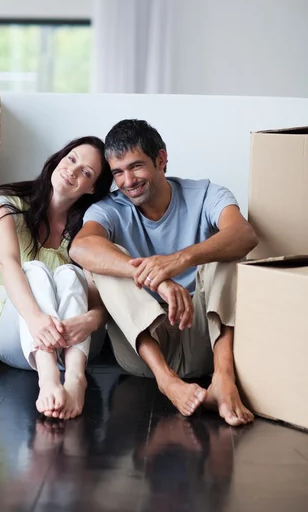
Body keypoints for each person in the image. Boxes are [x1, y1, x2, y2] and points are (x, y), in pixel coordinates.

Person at [70, 120, 259, 427]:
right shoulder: (109, 208)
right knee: (105, 261)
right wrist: (158, 279)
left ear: (161, 159)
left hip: (204, 336)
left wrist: (178, 260)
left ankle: (224, 379)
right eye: (118, 172)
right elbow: (81, 248)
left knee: (226, 251)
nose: (128, 180)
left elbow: (245, 234)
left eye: (136, 167)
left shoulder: (207, 194)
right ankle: (167, 381)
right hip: (144, 349)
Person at [0, 136, 112, 419]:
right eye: (71, 159)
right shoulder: (6, 203)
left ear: (92, 188)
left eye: (86, 172)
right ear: (59, 158)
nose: (72, 171)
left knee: (70, 272)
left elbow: (97, 293)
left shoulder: (91, 224)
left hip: (76, 344)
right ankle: (48, 378)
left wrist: (91, 320)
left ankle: (75, 380)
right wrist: (36, 319)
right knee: (34, 270)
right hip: (17, 334)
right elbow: (7, 261)